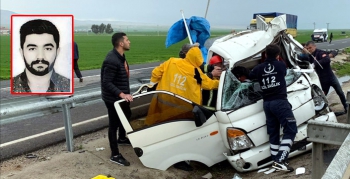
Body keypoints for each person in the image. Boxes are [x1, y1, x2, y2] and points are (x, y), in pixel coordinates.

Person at [249, 44, 297, 172]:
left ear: (265, 54)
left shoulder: (258, 68)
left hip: (267, 104)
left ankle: (275, 159)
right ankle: (280, 160)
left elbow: (250, 76)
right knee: (291, 129)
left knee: (273, 132)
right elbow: (285, 71)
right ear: (278, 55)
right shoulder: (281, 65)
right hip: (280, 102)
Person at [101, 32, 133, 166]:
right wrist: (122, 94)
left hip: (121, 96)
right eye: (127, 40)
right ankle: (114, 154)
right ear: (121, 43)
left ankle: (121, 138)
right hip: (112, 98)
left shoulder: (120, 56)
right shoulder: (112, 60)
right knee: (113, 125)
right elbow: (106, 82)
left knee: (126, 115)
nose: (129, 41)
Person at [13, 19, 70, 93]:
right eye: (32, 49)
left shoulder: (68, 85)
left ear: (57, 52)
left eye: (48, 49)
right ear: (22, 52)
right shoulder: (10, 87)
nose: (40, 56)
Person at [305, 41, 348, 113]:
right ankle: (325, 110)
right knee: (323, 96)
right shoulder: (309, 56)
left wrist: (315, 64)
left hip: (331, 77)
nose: (309, 49)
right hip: (322, 80)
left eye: (310, 48)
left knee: (340, 92)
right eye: (307, 48)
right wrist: (304, 53)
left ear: (314, 46)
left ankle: (346, 107)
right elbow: (300, 58)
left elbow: (327, 60)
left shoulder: (320, 52)